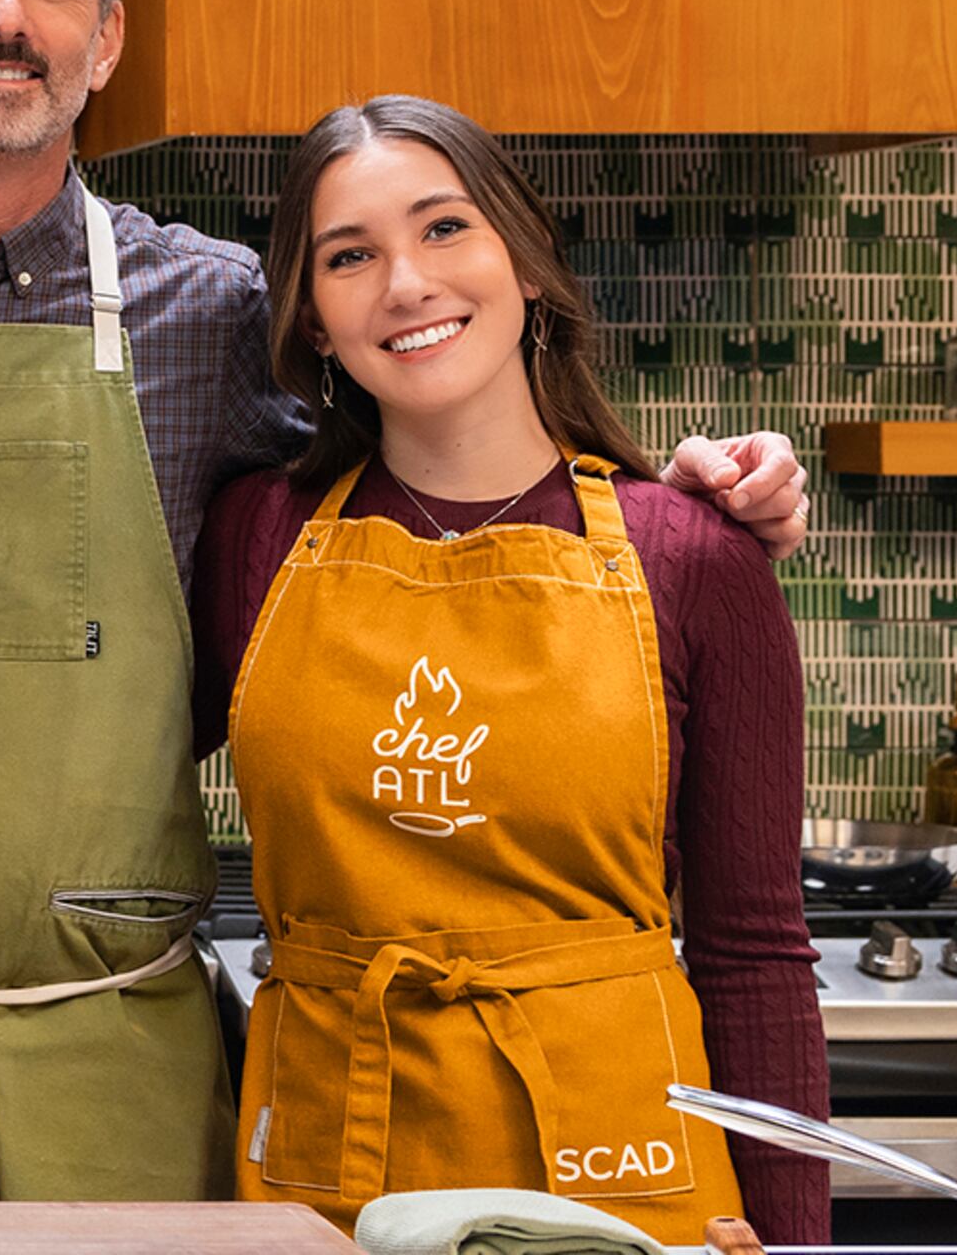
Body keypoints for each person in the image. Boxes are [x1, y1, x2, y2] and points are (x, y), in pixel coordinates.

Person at [0, 0, 813, 1202]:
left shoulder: (212, 310)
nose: (4, 19)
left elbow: (438, 457)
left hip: (109, 1067)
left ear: (105, 40)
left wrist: (684, 494)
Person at [196, 96, 829, 1242]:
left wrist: (792, 1245)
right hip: (327, 1165)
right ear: (315, 325)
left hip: (621, 1173)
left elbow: (755, 956)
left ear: (526, 265)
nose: (405, 283)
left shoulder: (694, 555)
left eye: (445, 229)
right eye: (351, 256)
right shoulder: (254, 536)